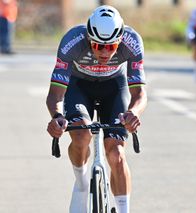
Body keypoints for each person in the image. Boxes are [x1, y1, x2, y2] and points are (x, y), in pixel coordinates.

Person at [46, 5, 147, 213]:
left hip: (114, 87)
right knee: (81, 135)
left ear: (119, 41)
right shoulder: (72, 41)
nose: (103, 52)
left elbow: (139, 94)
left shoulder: (132, 42)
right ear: (88, 38)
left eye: (110, 47)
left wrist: (134, 113)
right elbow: (55, 93)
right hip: (80, 86)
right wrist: (56, 116)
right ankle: (82, 182)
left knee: (117, 153)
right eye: (97, 45)